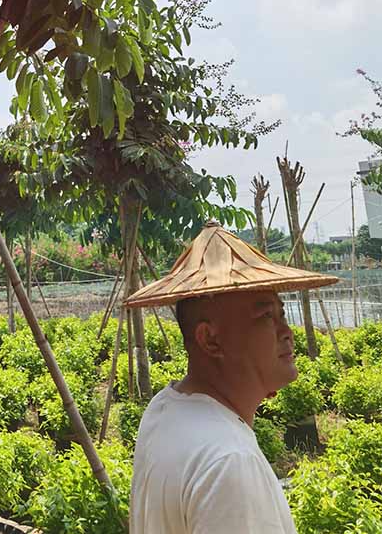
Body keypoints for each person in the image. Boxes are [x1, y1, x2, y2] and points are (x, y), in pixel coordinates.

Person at [125, 221, 338, 534]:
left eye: (282, 315)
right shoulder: (230, 462)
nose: (287, 333)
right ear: (210, 340)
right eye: (266, 316)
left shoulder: (164, 408)